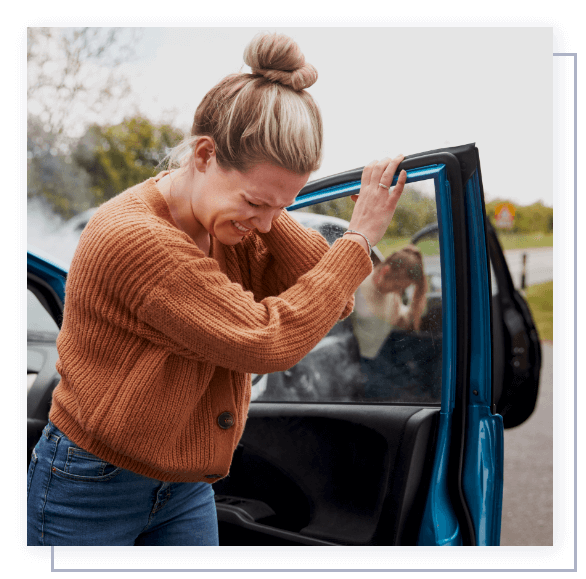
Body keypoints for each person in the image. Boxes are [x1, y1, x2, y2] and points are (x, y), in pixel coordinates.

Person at [26, 32, 407, 546]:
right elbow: (267, 340)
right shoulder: (136, 239)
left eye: (283, 206)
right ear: (204, 154)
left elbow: (333, 297)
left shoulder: (230, 221)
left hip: (185, 484)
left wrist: (269, 213)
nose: (269, 224)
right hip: (93, 483)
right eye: (256, 202)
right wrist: (358, 238)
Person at [351, 245, 429, 399]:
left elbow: (402, 322)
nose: (396, 291)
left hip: (380, 356)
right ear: (385, 270)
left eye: (401, 289)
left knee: (417, 389)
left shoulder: (392, 295)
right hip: (356, 362)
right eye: (396, 286)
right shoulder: (357, 287)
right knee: (402, 397)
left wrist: (416, 305)